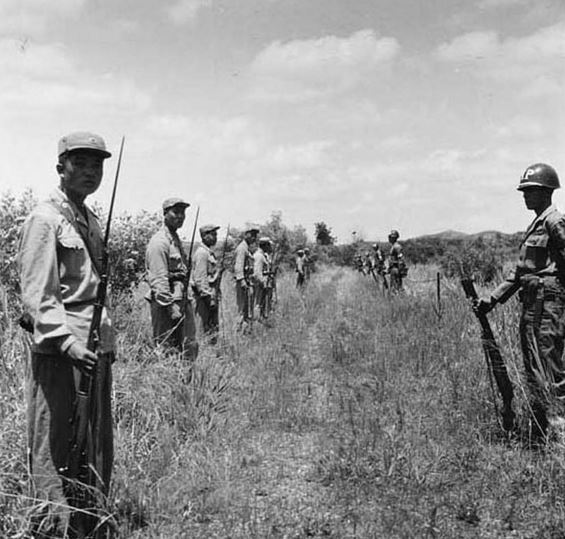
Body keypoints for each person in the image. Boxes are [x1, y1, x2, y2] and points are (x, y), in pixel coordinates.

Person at [18, 131, 115, 536]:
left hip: (94, 346)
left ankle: (88, 521)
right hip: (63, 349)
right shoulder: (45, 218)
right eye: (81, 163)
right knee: (54, 443)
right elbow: (37, 294)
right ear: (61, 167)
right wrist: (68, 342)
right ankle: (50, 526)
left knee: (92, 440)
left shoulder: (88, 218)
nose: (91, 172)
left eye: (98, 164)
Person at [477, 163, 565, 443]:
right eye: (524, 191)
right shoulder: (537, 223)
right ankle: (540, 435)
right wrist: (491, 299)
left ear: (546, 192)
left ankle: (559, 436)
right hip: (532, 304)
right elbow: (520, 271)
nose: (525, 196)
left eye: (530, 191)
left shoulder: (554, 222)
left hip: (548, 305)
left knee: (550, 369)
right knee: (533, 368)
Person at [145, 198, 198, 360]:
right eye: (176, 212)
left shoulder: (175, 240)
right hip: (167, 305)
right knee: (167, 349)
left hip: (181, 300)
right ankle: (167, 383)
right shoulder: (159, 242)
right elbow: (159, 279)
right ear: (165, 214)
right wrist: (171, 308)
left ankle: (185, 383)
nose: (180, 216)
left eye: (183, 213)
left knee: (187, 346)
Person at [193, 224, 221, 343]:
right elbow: (200, 278)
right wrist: (208, 297)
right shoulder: (202, 253)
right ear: (205, 236)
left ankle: (213, 353)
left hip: (211, 295)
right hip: (204, 298)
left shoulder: (208, 253)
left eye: (216, 234)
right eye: (213, 234)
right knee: (201, 328)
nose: (216, 237)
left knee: (212, 328)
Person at [234, 225, 259, 332]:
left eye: (255, 235)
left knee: (247, 308)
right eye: (252, 235)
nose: (254, 237)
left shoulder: (246, 248)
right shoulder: (242, 248)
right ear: (246, 235)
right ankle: (238, 331)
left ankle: (245, 331)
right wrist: (243, 281)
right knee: (241, 309)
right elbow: (238, 267)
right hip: (243, 284)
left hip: (248, 282)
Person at [253, 237, 272, 322]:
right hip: (259, 284)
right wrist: (263, 283)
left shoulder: (263, 255)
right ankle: (257, 322)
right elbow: (257, 273)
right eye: (269, 245)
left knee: (262, 303)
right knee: (258, 303)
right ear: (265, 245)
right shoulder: (259, 256)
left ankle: (262, 320)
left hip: (263, 283)